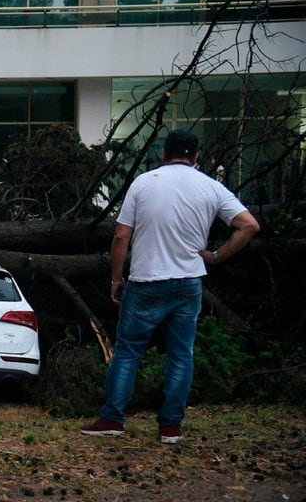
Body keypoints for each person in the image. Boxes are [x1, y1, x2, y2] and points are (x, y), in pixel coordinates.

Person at [81, 129, 260, 444]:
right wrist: (216, 256)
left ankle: (112, 419)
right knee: (181, 354)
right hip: (188, 282)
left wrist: (116, 279)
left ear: (163, 155)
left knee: (127, 352)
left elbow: (122, 236)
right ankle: (170, 427)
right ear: (195, 157)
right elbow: (249, 225)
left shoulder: (144, 182)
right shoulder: (211, 186)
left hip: (146, 281)